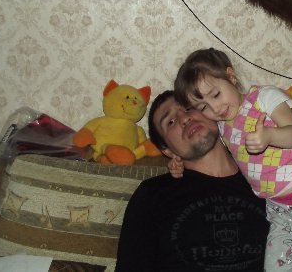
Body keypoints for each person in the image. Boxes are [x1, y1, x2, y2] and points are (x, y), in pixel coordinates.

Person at [173, 48, 292, 272]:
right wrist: (177, 161)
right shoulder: (221, 127)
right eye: (203, 107)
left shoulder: (263, 97)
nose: (215, 108)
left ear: (231, 76)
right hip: (282, 209)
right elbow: (207, 151)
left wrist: (269, 136)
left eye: (216, 95)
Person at [115, 90, 269, 272]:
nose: (184, 118)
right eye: (170, 122)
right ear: (167, 150)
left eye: (189, 108)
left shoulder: (267, 179)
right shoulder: (152, 194)